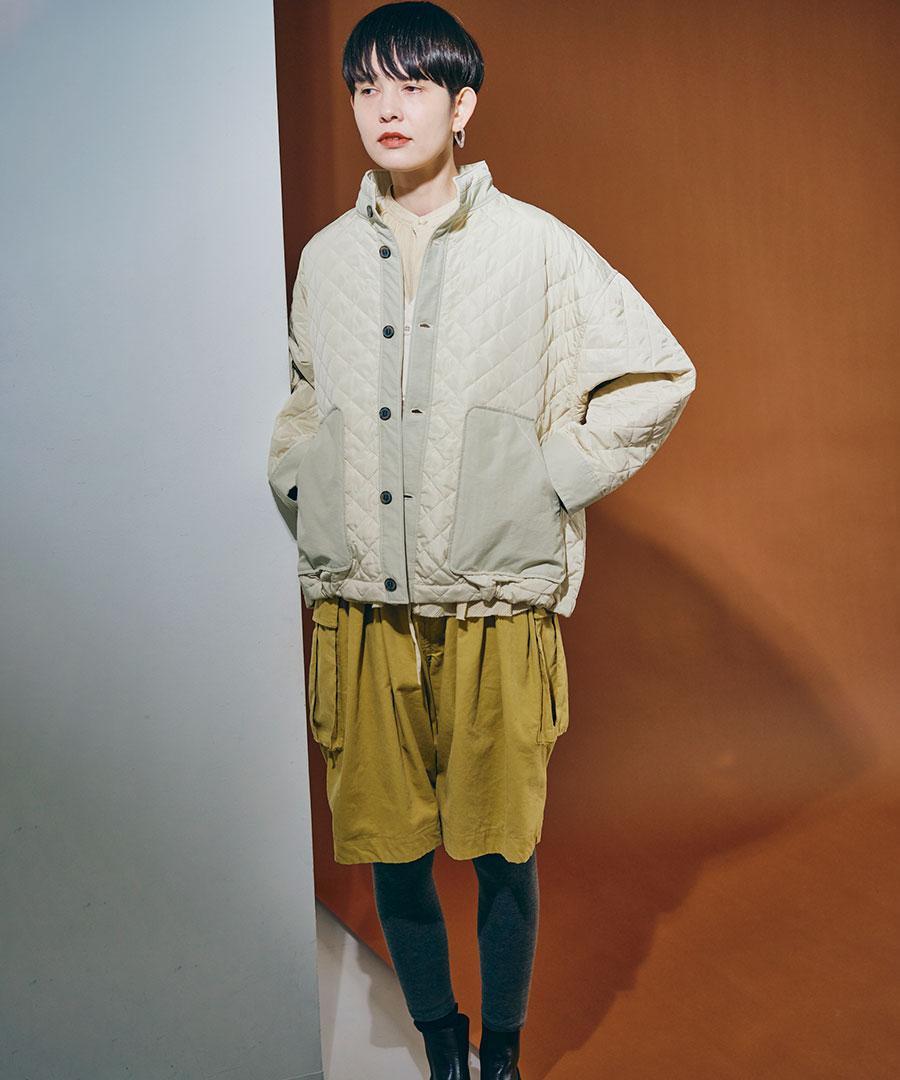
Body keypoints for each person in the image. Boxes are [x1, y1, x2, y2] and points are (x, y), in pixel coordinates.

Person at [267, 3, 697, 1077]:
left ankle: (501, 1046)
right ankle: (440, 1040)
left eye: (411, 85)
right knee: (393, 853)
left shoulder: (537, 248)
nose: (385, 107)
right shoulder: (325, 260)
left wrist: (547, 480)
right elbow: (304, 400)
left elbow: (658, 374)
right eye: (365, 87)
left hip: (496, 610)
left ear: (461, 106)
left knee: (504, 851)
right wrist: (306, 487)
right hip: (362, 612)